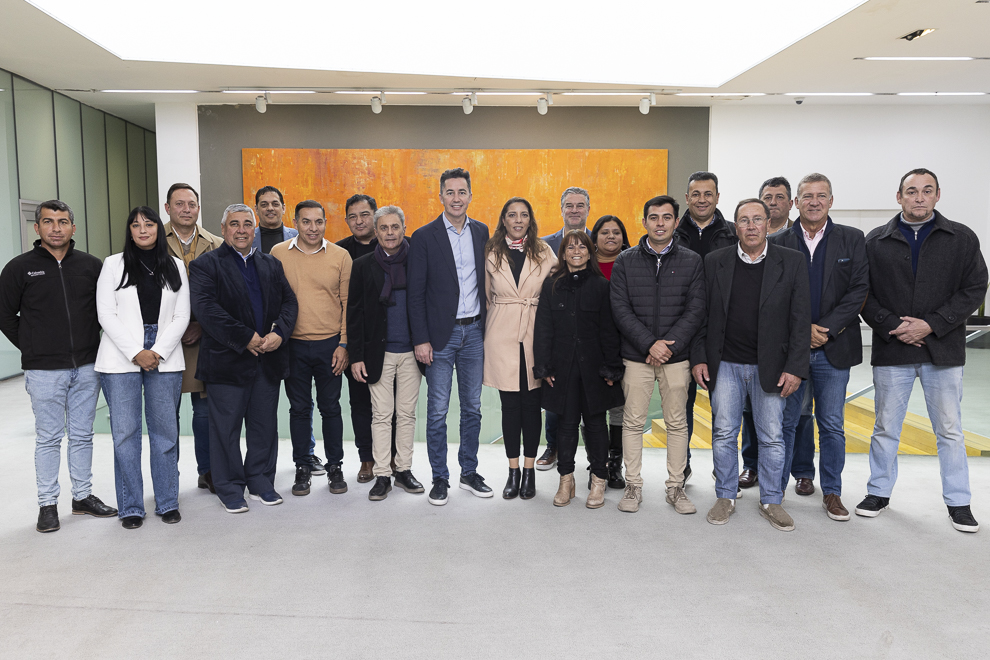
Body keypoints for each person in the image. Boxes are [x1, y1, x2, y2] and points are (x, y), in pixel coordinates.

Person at [857, 169, 988, 533]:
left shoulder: (961, 238)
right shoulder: (875, 241)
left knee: (949, 429)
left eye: (926, 191)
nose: (919, 197)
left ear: (937, 195)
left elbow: (975, 287)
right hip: (892, 349)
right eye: (911, 191)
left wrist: (931, 324)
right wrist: (893, 325)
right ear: (899, 197)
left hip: (942, 350)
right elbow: (862, 292)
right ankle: (878, 493)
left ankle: (958, 502)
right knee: (885, 427)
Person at [691, 198, 809, 532]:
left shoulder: (792, 261)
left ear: (769, 223)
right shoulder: (715, 261)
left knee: (771, 436)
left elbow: (801, 319)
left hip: (770, 365)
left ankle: (772, 500)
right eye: (744, 220)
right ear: (736, 226)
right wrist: (699, 357)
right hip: (725, 364)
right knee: (724, 433)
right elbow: (701, 314)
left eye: (758, 219)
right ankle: (725, 496)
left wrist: (795, 367)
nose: (752, 226)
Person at [0, 200, 117, 533]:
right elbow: (5, 316)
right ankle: (47, 504)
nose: (56, 228)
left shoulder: (91, 266)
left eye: (63, 221)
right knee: (49, 437)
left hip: (87, 365)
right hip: (43, 370)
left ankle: (82, 497)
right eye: (48, 222)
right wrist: (33, 346)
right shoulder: (19, 268)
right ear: (37, 227)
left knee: (82, 435)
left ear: (73, 227)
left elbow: (105, 311)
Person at [770, 173, 869, 521]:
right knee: (784, 424)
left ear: (831, 201)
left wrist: (824, 329)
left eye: (821, 195)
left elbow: (859, 290)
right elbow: (773, 296)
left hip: (834, 348)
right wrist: (802, 331)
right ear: (796, 202)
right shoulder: (778, 241)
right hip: (790, 351)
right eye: (807, 196)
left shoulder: (852, 239)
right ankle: (774, 492)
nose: (814, 202)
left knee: (831, 425)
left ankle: (832, 492)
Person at [189, 204, 298, 513]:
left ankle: (261, 482)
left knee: (264, 427)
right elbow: (207, 310)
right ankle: (230, 487)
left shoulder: (271, 264)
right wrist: (245, 337)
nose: (241, 230)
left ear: (255, 229)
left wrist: (279, 333)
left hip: (267, 359)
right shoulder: (205, 265)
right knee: (225, 430)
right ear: (223, 229)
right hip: (227, 362)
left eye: (247, 224)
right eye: (234, 224)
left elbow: (290, 303)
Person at [95, 207, 189, 529]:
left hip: (165, 352)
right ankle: (131, 506)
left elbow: (182, 316)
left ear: (158, 229)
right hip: (121, 355)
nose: (143, 229)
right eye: (136, 225)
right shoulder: (112, 264)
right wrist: (136, 352)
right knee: (125, 434)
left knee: (165, 433)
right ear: (130, 231)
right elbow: (105, 315)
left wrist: (157, 351)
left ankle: (167, 502)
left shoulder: (175, 265)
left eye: (149, 224)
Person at [610, 196, 705, 514]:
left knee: (677, 423)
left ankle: (676, 487)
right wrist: (649, 344)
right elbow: (620, 309)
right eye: (654, 217)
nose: (660, 223)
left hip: (676, 358)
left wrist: (668, 347)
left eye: (666, 217)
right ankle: (633, 486)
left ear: (676, 222)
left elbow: (695, 309)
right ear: (644, 222)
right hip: (636, 356)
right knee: (632, 422)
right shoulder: (625, 260)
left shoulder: (692, 261)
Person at [408, 168, 492, 505]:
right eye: (450, 192)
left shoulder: (482, 232)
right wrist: (420, 339)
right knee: (438, 411)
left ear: (470, 195)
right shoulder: (424, 236)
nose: (456, 198)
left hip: (474, 332)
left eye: (462, 192)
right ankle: (439, 478)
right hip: (439, 337)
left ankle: (469, 472)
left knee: (472, 408)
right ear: (440, 196)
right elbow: (415, 294)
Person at [534, 230, 624, 508]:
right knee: (566, 425)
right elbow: (543, 329)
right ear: (562, 254)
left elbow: (609, 330)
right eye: (570, 247)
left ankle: (598, 480)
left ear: (589, 252)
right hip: (562, 368)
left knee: (596, 425)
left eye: (581, 247)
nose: (576, 251)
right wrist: (544, 366)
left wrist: (611, 368)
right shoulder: (551, 286)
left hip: (595, 369)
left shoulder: (601, 286)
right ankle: (566, 480)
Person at [271, 201, 352, 496]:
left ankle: (335, 466)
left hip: (330, 345)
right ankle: (303, 466)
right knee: (299, 409)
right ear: (295, 223)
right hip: (292, 345)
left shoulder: (340, 256)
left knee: (331, 408)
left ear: (325, 223)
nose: (313, 228)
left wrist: (343, 344)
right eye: (306, 222)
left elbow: (347, 304)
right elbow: (274, 299)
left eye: (318, 222)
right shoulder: (278, 253)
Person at [739, 176, 814, 492]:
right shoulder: (745, 242)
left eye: (780, 197)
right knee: (751, 411)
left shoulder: (796, 241)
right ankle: (752, 465)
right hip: (750, 347)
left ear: (790, 203)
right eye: (767, 197)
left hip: (790, 343)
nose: (773, 202)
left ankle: (802, 469)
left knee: (800, 412)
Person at [347, 205, 426, 501]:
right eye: (384, 228)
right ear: (376, 231)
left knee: (406, 415)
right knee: (381, 415)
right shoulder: (363, 265)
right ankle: (382, 474)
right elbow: (354, 314)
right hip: (377, 354)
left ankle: (403, 470)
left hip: (412, 352)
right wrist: (356, 356)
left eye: (395, 227)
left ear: (404, 228)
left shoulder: (418, 260)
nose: (390, 233)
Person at [483, 197, 556, 499]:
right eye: (511, 215)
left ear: (530, 220)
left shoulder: (544, 251)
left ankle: (529, 471)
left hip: (535, 333)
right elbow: (486, 296)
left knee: (532, 406)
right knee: (510, 406)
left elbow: (556, 289)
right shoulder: (491, 251)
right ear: (503, 220)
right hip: (500, 334)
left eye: (523, 215)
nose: (518, 220)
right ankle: (512, 471)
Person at [673, 171, 737, 480]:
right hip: (680, 331)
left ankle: (723, 469)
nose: (702, 199)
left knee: (724, 409)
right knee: (680, 408)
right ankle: (681, 466)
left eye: (708, 194)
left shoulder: (733, 234)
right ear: (687, 198)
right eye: (696, 194)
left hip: (721, 334)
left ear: (717, 197)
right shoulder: (672, 233)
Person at [162, 182, 224, 493]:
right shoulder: (151, 241)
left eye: (191, 204)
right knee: (166, 413)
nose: (186, 209)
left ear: (198, 208)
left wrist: (201, 324)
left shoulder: (217, 244)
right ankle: (167, 476)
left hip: (204, 339)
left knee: (204, 411)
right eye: (179, 204)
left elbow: (224, 294)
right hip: (163, 341)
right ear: (167, 208)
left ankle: (208, 471)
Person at [537, 186, 593, 471]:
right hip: (558, 329)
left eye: (580, 205)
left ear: (588, 210)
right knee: (555, 392)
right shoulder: (544, 245)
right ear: (561, 210)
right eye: (569, 205)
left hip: (589, 329)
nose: (574, 210)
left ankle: (595, 455)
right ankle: (553, 446)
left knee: (592, 401)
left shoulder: (600, 240)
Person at [337, 193, 383, 482]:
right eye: (352, 217)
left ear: (375, 216)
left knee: (391, 406)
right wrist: (347, 345)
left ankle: (391, 458)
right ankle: (366, 459)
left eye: (365, 214)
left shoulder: (396, 244)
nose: (359, 221)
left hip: (391, 341)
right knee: (360, 403)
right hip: (356, 340)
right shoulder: (340, 252)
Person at [591, 214, 631, 488]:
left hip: (624, 344)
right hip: (591, 346)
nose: (611, 237)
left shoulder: (632, 262)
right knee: (592, 408)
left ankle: (615, 464)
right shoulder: (585, 262)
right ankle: (597, 463)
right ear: (595, 237)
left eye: (616, 232)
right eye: (604, 232)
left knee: (619, 407)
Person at [253, 185, 299, 254]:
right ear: (256, 209)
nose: (270, 208)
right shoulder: (248, 238)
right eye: (264, 205)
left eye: (275, 204)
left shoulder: (298, 237)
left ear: (283, 208)